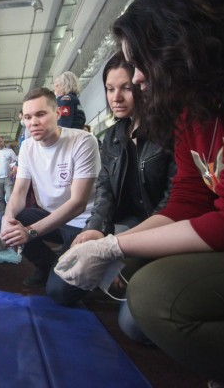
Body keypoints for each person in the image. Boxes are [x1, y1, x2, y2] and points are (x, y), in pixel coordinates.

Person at [54, 0, 224, 386]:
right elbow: (189, 200)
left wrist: (117, 245)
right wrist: (108, 239)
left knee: (154, 298)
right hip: (209, 231)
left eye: (140, 66)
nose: (139, 79)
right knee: (134, 312)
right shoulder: (190, 108)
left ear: (180, 45)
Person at [67, 52, 176, 343]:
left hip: (162, 229)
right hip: (124, 225)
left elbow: (174, 202)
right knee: (62, 287)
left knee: (134, 327)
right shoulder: (112, 136)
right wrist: (95, 228)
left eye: (126, 87)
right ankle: (121, 279)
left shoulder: (168, 130)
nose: (116, 97)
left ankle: (132, 279)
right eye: (110, 88)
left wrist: (119, 249)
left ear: (144, 83)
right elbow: (106, 191)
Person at [0, 87, 100, 287]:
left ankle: (64, 273)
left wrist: (31, 232)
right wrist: (8, 220)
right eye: (27, 117)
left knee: (59, 292)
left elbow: (78, 203)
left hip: (82, 223)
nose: (33, 122)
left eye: (40, 114)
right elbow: (18, 192)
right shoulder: (27, 146)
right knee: (1, 221)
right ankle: (48, 265)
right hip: (52, 217)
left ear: (58, 113)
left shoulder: (83, 141)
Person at [0, 140, 18, 213]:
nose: (0, 143)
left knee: (9, 197)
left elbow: (16, 161)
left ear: (3, 142)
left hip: (8, 178)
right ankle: (1, 214)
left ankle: (11, 213)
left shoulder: (9, 151)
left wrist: (13, 170)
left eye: (1, 141)